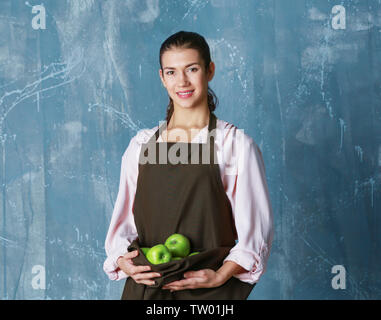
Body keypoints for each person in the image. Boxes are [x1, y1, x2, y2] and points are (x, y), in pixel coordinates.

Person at [103, 31, 274, 300]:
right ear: (162, 78)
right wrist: (122, 260)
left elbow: (256, 235)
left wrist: (220, 275)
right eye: (171, 72)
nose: (181, 81)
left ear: (210, 71)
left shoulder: (235, 146)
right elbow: (123, 227)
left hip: (206, 294)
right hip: (145, 292)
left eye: (191, 69)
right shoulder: (141, 145)